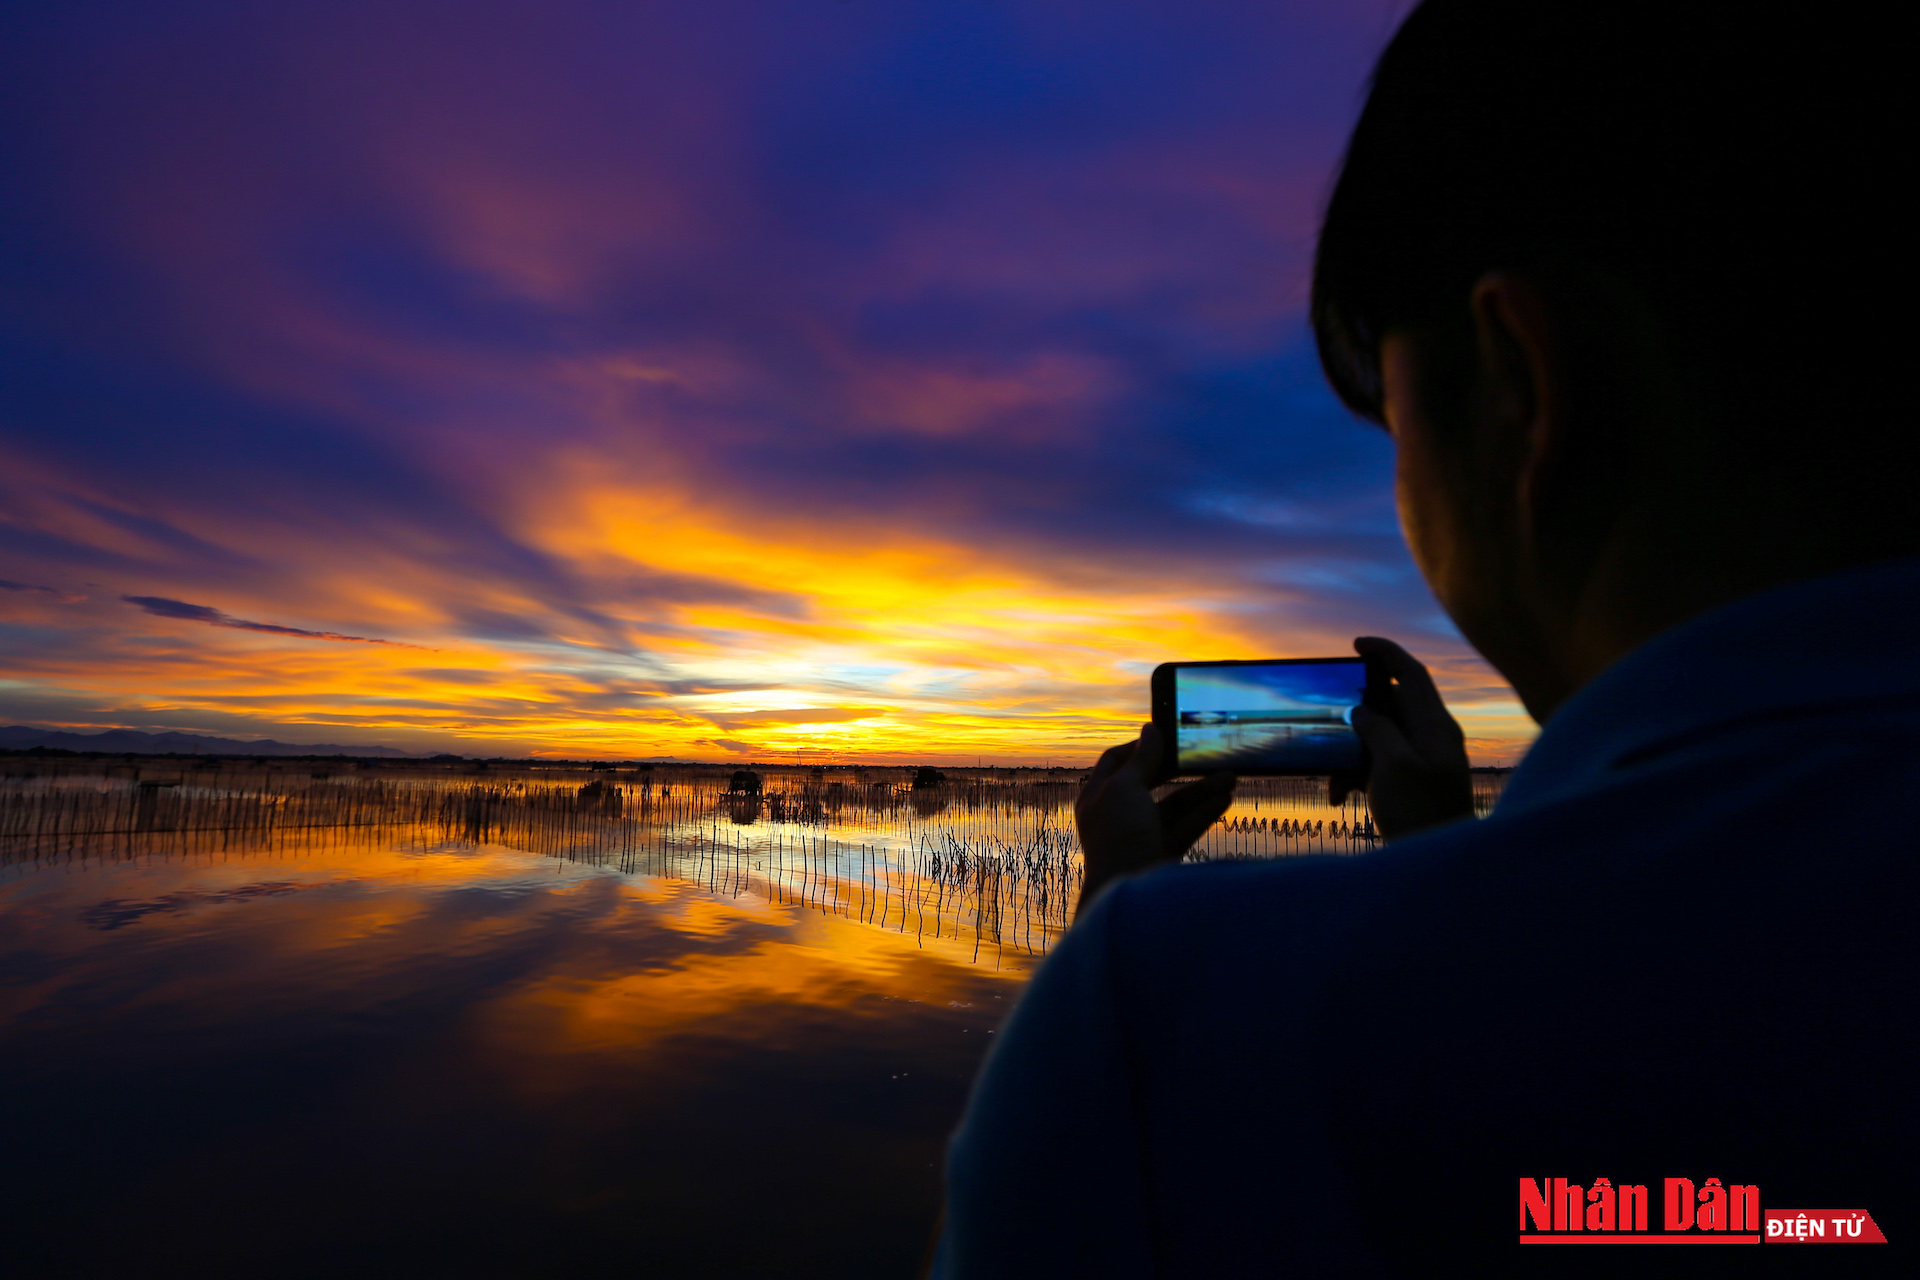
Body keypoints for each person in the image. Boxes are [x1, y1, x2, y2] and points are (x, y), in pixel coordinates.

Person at [931, 2, 1914, 1274]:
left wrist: (1124, 972)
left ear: (1521, 382)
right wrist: (1450, 857)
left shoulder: (1184, 1008)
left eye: (1396, 422)